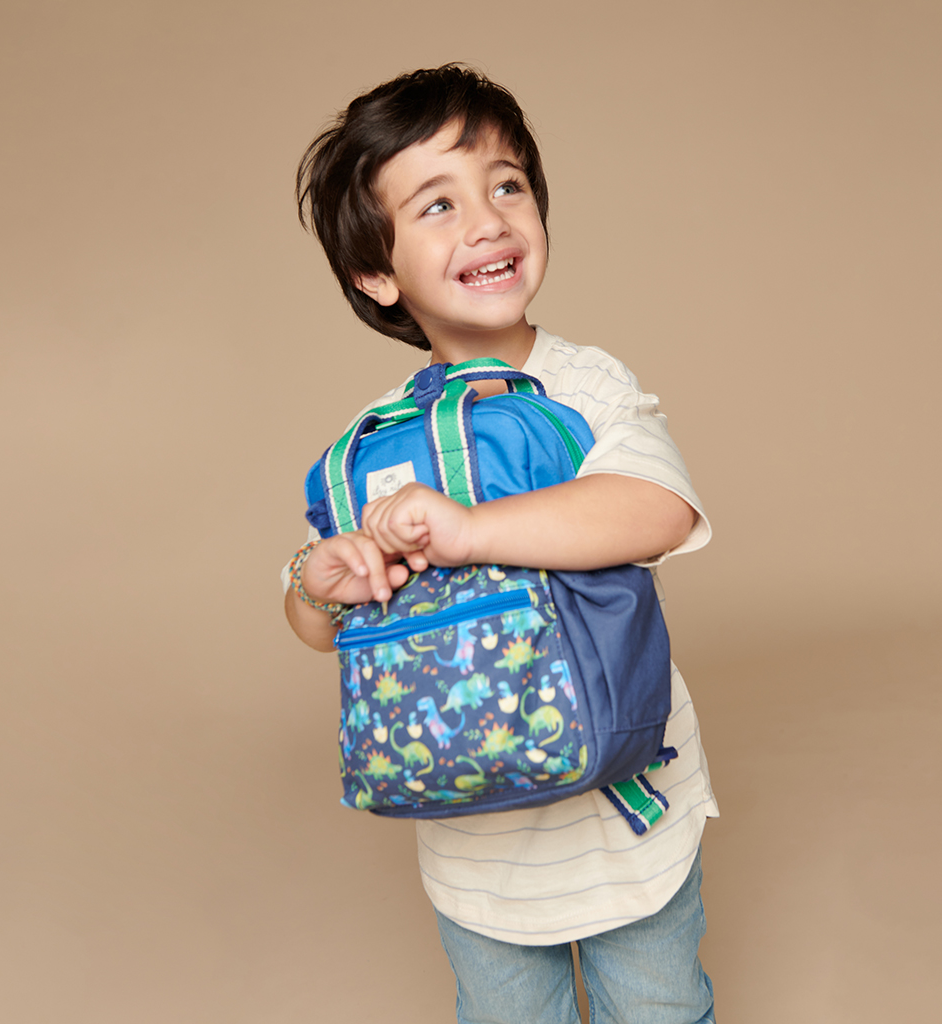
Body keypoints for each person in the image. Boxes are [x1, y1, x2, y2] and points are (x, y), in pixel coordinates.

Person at [284, 64, 718, 1024]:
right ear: (376, 272)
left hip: (623, 820)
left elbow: (658, 509)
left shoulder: (585, 388)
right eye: (437, 205)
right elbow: (322, 623)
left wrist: (471, 528)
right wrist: (322, 584)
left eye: (506, 185)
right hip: (470, 830)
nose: (487, 220)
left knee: (656, 1007)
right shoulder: (374, 445)